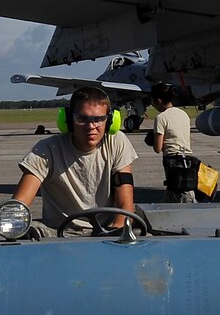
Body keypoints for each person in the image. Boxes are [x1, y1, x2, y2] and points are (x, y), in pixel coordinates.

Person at [12, 85, 137, 234]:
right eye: (82, 119)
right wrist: (14, 221)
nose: (91, 126)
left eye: (98, 119)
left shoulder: (116, 142)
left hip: (106, 232)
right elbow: (20, 202)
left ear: (110, 122)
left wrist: (115, 232)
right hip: (59, 234)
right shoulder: (47, 150)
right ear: (68, 120)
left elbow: (125, 202)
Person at [147, 83, 198, 203]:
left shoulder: (161, 118)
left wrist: (153, 139)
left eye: (153, 102)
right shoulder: (184, 115)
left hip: (172, 162)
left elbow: (158, 148)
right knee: (182, 192)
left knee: (178, 195)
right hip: (189, 160)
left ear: (158, 101)